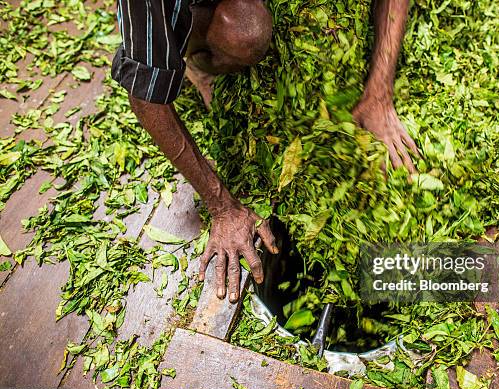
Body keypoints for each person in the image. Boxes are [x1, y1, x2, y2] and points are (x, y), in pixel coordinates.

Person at [111, 0, 419, 303]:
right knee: (245, 33)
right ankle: (197, 62)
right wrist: (223, 206)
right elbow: (146, 100)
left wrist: (379, 93)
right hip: (200, 14)